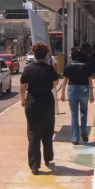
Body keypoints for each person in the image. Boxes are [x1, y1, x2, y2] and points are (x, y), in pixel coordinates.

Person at [20, 43, 59, 174]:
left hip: (32, 102)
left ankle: (35, 165)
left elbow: (23, 87)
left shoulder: (28, 69)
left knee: (33, 133)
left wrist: (23, 100)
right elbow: (55, 83)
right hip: (47, 101)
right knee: (48, 130)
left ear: (34, 55)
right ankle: (48, 158)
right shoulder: (50, 69)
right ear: (46, 55)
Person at [59, 48, 95, 144]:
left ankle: (75, 138)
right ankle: (84, 130)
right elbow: (90, 80)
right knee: (84, 110)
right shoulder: (86, 65)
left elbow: (65, 80)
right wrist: (92, 94)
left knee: (74, 114)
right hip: (84, 89)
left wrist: (62, 93)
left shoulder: (69, 65)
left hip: (72, 89)